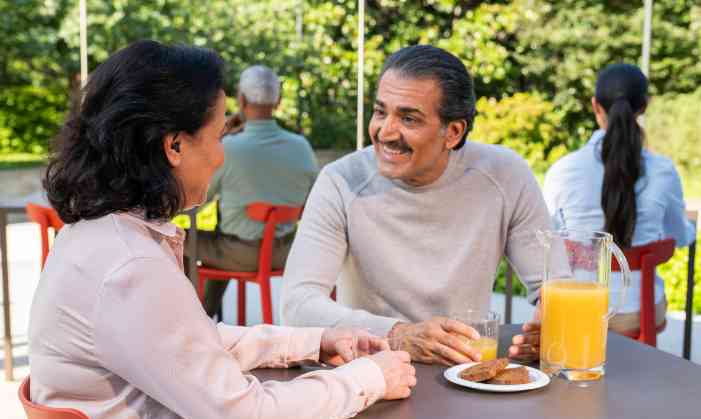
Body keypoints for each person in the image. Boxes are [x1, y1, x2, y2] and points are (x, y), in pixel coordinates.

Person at [20, 40, 415, 419]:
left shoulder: (96, 237)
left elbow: (188, 345)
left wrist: (315, 342)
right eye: (218, 136)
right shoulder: (130, 266)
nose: (221, 154)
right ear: (174, 147)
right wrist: (369, 379)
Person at [281, 45, 552, 366]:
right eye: (381, 112)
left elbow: (556, 285)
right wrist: (397, 335)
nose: (385, 131)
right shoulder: (341, 181)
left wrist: (547, 324)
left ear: (453, 132)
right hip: (371, 375)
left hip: (467, 373)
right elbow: (297, 306)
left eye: (408, 118)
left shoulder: (506, 175)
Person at [542, 63, 696, 334]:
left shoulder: (564, 169)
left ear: (595, 106)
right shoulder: (663, 171)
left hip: (578, 308)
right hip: (639, 312)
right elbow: (681, 237)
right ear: (644, 106)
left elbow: (549, 237)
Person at [193, 65, 319, 319]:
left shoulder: (230, 149)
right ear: (279, 101)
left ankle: (196, 323)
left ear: (240, 100)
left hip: (241, 254)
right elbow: (313, 202)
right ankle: (206, 322)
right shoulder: (301, 147)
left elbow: (197, 198)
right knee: (216, 243)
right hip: (286, 252)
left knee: (181, 240)